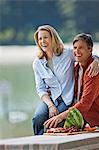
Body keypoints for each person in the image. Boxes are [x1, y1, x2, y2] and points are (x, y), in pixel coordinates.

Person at [32, 25, 99, 135]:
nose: (42, 41)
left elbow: (86, 55)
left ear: (53, 38)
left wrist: (97, 61)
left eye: (46, 37)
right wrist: (50, 105)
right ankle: (39, 143)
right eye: (40, 38)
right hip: (51, 98)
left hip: (67, 99)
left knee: (54, 123)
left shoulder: (67, 54)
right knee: (38, 119)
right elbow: (40, 89)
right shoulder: (37, 63)